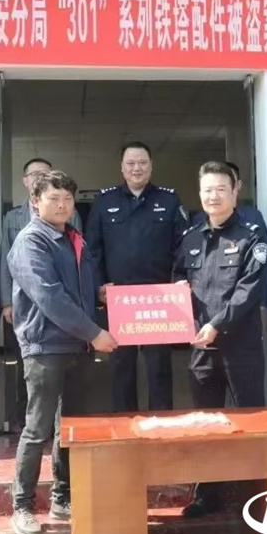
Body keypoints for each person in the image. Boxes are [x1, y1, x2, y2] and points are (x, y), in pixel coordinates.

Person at [9, 170, 118, 534]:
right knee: (37, 428)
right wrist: (95, 332)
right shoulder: (31, 242)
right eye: (53, 198)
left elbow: (79, 290)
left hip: (77, 346)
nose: (61, 205)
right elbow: (50, 296)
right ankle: (22, 505)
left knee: (69, 428)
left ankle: (62, 497)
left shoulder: (74, 238)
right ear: (35, 201)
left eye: (68, 199)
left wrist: (99, 295)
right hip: (46, 346)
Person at [174, 161, 267, 517]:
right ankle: (207, 494)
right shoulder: (191, 237)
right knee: (205, 423)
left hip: (240, 345)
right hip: (202, 348)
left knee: (249, 420)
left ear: (234, 191)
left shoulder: (251, 237)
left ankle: (254, 495)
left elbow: (249, 291)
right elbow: (179, 278)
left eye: (220, 189)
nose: (213, 196)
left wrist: (216, 323)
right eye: (207, 190)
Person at [86, 142, 188, 413]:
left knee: (159, 368)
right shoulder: (105, 202)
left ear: (151, 166)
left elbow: (183, 247)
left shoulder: (169, 200)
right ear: (122, 168)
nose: (136, 168)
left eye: (142, 162)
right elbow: (92, 251)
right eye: (130, 163)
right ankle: (124, 423)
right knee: (121, 367)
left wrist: (177, 283)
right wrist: (98, 287)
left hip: (159, 300)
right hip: (119, 299)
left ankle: (161, 422)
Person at [0, 158, 83, 430]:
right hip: (35, 318)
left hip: (66, 324)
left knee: (65, 404)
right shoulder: (19, 225)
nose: (61, 204)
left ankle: (58, 445)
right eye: (34, 174)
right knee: (33, 382)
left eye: (45, 173)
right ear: (27, 184)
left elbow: (78, 265)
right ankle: (26, 421)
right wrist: (7, 301)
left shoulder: (69, 221)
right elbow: (6, 261)